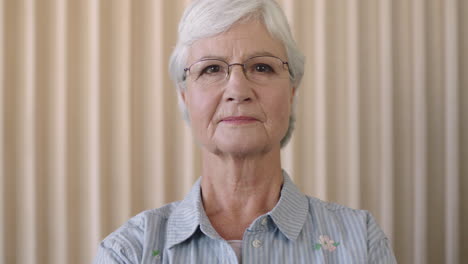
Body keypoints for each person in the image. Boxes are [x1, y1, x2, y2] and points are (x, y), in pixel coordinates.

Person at [94, 0, 397, 263]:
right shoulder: (129, 252)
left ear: (292, 90)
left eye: (262, 67)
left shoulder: (361, 243)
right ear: (185, 96)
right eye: (211, 69)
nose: (238, 90)